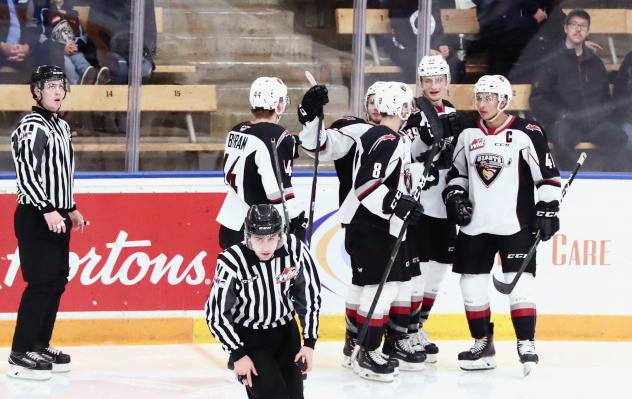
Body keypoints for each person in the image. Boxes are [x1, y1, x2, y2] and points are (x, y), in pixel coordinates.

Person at [443, 74, 561, 376]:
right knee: (470, 285)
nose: (481, 104)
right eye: (478, 97)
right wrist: (455, 194)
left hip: (516, 224)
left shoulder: (527, 132)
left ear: (504, 101)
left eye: (488, 98)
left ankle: (526, 343)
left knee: (519, 285)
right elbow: (457, 173)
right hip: (475, 225)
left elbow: (547, 177)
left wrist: (548, 208)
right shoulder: (468, 133)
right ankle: (483, 342)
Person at [338, 82, 425, 381]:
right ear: (400, 108)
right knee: (381, 289)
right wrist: (398, 204)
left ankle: (358, 348)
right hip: (372, 225)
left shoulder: (385, 135)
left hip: (369, 224)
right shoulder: (387, 137)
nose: (409, 111)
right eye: (407, 106)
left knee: (368, 287)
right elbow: (366, 185)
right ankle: (368, 351)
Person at [7, 65, 87, 380]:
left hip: (56, 215)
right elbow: (26, 172)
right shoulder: (31, 125)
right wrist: (47, 208)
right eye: (50, 85)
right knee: (40, 284)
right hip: (36, 216)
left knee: (56, 282)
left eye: (60, 85)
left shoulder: (61, 127)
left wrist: (70, 208)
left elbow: (61, 175)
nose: (57, 91)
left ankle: (40, 343)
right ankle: (19, 352)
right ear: (37, 91)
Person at [206, 204, 321, 399]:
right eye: (259, 239)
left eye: (272, 238)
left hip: (287, 336)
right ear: (248, 236)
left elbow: (309, 296)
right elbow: (216, 315)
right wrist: (238, 354)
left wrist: (309, 342)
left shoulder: (295, 250)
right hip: (251, 340)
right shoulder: (231, 261)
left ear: (280, 235)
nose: (266, 246)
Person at [401, 55, 460, 363]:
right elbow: (405, 154)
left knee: (437, 271)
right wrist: (424, 147)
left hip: (444, 203)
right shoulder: (412, 111)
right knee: (418, 271)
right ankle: (407, 330)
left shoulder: (451, 111)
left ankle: (420, 326)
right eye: (428, 80)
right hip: (421, 203)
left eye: (439, 80)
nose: (434, 86)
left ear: (446, 81)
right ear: (420, 83)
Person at [216, 76, 310, 250]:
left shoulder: (237, 130)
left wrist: (291, 144)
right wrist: (294, 219)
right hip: (258, 228)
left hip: (230, 221)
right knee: (266, 277)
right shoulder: (278, 136)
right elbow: (277, 192)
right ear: (279, 105)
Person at [530, 9, 628, 170]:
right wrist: (560, 115)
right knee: (561, 139)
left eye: (583, 26)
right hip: (566, 122)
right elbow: (538, 99)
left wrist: (600, 114)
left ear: (588, 31)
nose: (578, 29)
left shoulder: (595, 63)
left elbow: (606, 99)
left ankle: (608, 181)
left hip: (593, 123)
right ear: (565, 29)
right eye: (574, 24)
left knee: (619, 137)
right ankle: (573, 180)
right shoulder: (551, 61)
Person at [37, 0, 110, 84]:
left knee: (79, 58)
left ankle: (95, 77)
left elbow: (81, 36)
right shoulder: (44, 11)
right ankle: (79, 83)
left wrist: (74, 46)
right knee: (67, 62)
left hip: (73, 48)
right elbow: (41, 37)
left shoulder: (73, 13)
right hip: (56, 50)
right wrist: (62, 47)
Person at [0, 0, 64, 81]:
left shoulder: (26, 2)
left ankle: (56, 89)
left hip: (22, 49)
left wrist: (27, 47)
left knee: (53, 53)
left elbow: (32, 25)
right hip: (2, 50)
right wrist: (2, 46)